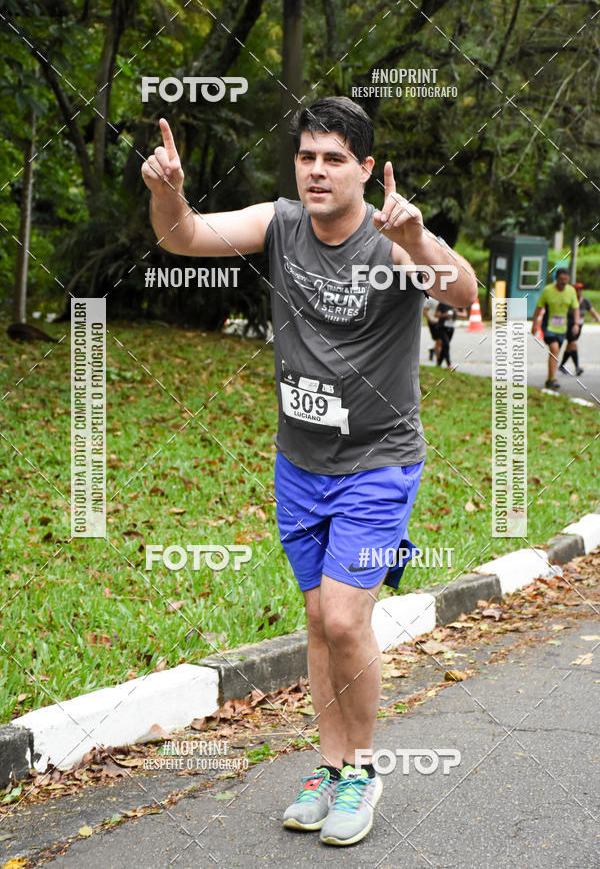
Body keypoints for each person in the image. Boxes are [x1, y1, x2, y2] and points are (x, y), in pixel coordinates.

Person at [141, 97, 477, 847]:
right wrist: (165, 185)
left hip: (378, 462)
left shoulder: (391, 241)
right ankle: (328, 768)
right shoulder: (282, 223)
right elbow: (182, 235)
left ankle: (361, 768)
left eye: (333, 158)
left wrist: (420, 241)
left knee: (342, 617)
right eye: (306, 156)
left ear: (364, 168)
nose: (317, 170)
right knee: (318, 627)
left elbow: (463, 293)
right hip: (299, 463)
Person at [531, 267, 580, 390]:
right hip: (548, 327)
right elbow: (538, 307)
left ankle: (549, 379)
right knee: (554, 349)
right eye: (561, 279)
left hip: (562, 329)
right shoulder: (548, 290)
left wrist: (576, 324)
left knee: (555, 352)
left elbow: (576, 308)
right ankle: (553, 379)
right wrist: (535, 324)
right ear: (556, 279)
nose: (564, 281)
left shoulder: (571, 291)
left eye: (566, 279)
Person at [559, 282, 600, 376]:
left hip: (579, 327)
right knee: (573, 344)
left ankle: (561, 365)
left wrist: (598, 319)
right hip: (569, 326)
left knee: (570, 346)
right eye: (577, 290)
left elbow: (592, 311)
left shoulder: (585, 301)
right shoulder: (570, 301)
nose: (579, 292)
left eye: (581, 290)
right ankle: (577, 367)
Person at [423, 296, 440, 362]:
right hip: (433, 321)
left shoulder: (445, 297)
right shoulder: (430, 299)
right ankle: (439, 361)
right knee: (438, 340)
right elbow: (424, 310)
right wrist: (430, 319)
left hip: (442, 322)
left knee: (440, 340)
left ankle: (433, 350)